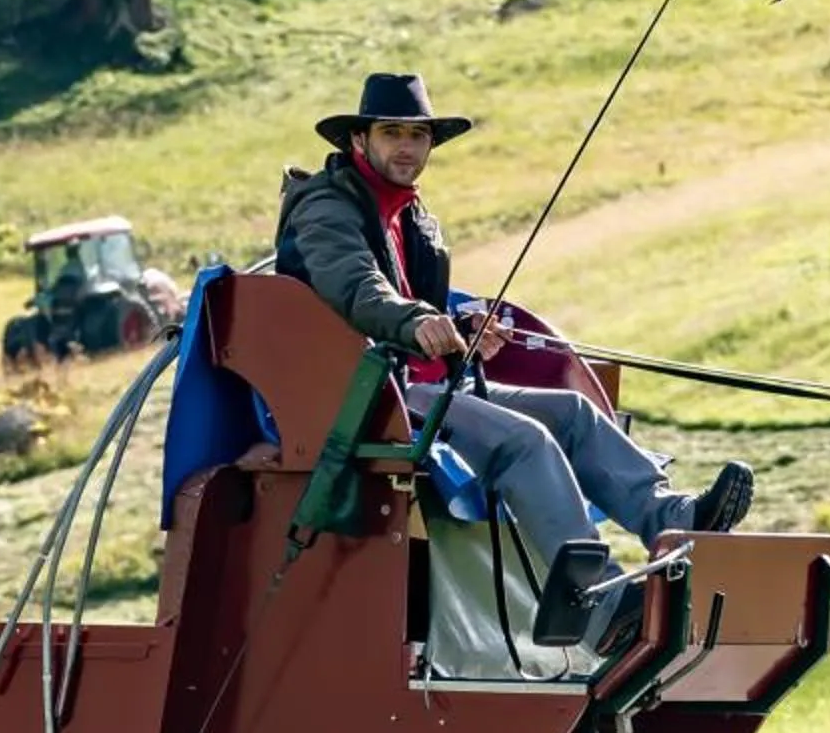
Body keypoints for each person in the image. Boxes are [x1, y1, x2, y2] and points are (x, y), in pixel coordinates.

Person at [273, 73, 753, 629]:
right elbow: (355, 287)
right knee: (524, 441)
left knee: (571, 413)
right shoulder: (326, 208)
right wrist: (419, 320)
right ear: (359, 141)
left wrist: (461, 326)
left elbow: (408, 306)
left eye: (417, 135)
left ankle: (678, 518)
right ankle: (597, 603)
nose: (406, 146)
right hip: (365, 394)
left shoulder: (413, 216)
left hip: (420, 386)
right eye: (391, 132)